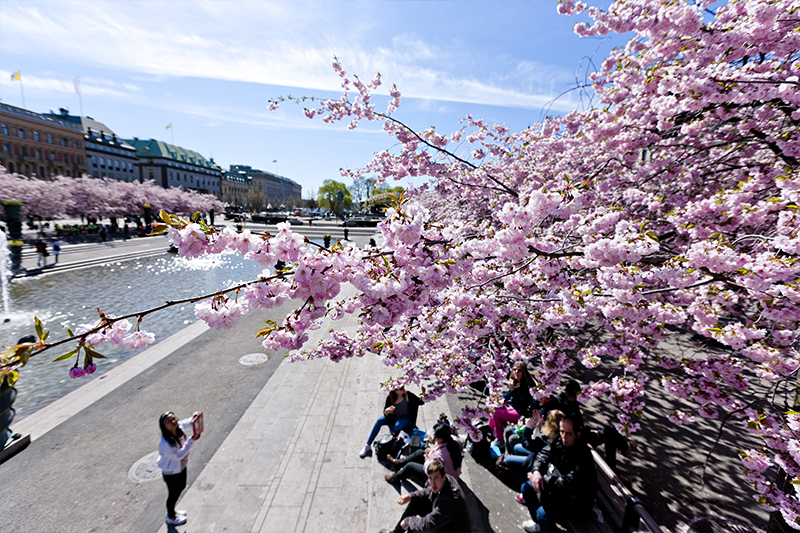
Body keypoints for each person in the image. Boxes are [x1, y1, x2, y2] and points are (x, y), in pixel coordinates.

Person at [521, 416, 597, 533]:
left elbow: (569, 483)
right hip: (560, 489)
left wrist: (543, 481)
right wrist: (536, 472)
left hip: (577, 501)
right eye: (562, 432)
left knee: (543, 513)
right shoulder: (560, 440)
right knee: (526, 487)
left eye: (568, 433)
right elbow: (544, 453)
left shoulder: (583, 455)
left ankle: (544, 526)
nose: (564, 437)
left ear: (577, 435)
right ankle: (539, 524)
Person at [557, 379, 637, 472]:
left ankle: (623, 451)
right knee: (610, 432)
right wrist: (593, 434)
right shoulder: (571, 412)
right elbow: (577, 431)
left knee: (608, 433)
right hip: (577, 441)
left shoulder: (561, 398)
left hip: (575, 434)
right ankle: (623, 452)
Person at [380, 461, 470, 533]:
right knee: (415, 502)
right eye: (430, 478)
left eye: (436, 478)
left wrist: (409, 521)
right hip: (444, 519)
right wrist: (411, 496)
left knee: (415, 528)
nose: (433, 483)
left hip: (451, 528)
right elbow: (429, 490)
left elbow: (429, 525)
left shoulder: (450, 500)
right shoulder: (446, 481)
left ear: (444, 477)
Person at [157, 411, 202, 526]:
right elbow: (178, 455)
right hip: (171, 472)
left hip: (181, 467)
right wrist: (191, 440)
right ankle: (171, 516)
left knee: (181, 486)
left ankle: (173, 512)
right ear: (164, 426)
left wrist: (194, 417)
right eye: (169, 421)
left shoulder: (178, 427)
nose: (173, 422)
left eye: (174, 418)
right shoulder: (165, 443)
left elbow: (187, 422)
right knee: (173, 494)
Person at [385, 422, 462, 486]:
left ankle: (396, 477)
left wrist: (427, 460)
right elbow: (440, 446)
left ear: (441, 439)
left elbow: (430, 470)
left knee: (410, 466)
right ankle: (398, 463)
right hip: (450, 470)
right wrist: (432, 450)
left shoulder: (439, 455)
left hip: (441, 480)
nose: (433, 437)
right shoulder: (453, 439)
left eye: (435, 436)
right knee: (420, 452)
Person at [360, 384, 424, 458]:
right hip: (394, 418)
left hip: (407, 421)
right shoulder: (390, 398)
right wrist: (386, 412)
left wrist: (424, 393)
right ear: (395, 391)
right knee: (379, 420)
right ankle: (368, 445)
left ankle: (391, 436)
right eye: (400, 388)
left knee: (400, 424)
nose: (403, 388)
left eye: (403, 386)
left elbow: (421, 402)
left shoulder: (408, 395)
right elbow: (386, 411)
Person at [490, 361, 535, 449]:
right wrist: (498, 400)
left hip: (521, 412)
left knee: (495, 413)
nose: (516, 372)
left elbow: (522, 403)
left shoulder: (527, 384)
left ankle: (500, 440)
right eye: (515, 370)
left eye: (519, 370)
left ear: (524, 372)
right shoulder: (516, 380)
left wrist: (513, 390)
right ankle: (493, 429)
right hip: (514, 405)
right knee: (494, 406)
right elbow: (509, 394)